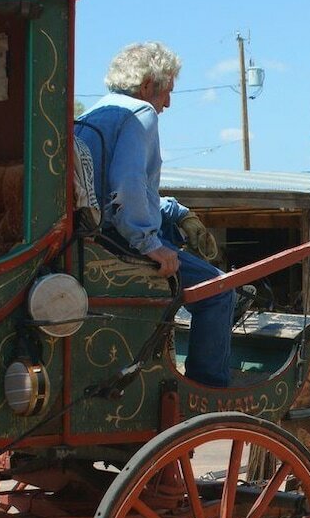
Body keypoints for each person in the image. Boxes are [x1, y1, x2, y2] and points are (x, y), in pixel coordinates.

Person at [75, 41, 234, 387]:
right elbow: (128, 184)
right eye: (167, 92)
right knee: (220, 291)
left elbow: (107, 191)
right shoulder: (139, 113)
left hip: (96, 238)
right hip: (124, 242)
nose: (168, 103)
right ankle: (207, 391)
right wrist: (149, 244)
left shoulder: (91, 116)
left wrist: (175, 212)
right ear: (148, 86)